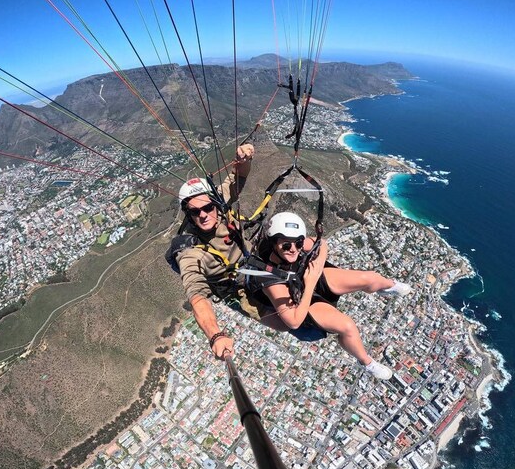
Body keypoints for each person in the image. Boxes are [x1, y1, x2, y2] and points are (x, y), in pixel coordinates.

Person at [246, 212, 412, 380]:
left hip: (311, 278)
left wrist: (317, 267)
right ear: (273, 243)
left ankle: (388, 286)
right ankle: (367, 363)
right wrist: (310, 282)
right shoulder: (270, 277)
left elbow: (322, 244)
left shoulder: (295, 244)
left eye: (298, 243)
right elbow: (294, 321)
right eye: (287, 246)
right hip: (300, 300)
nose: (294, 249)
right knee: (347, 327)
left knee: (370, 278)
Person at [171, 144, 255, 361]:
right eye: (196, 212)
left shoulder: (218, 204)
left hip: (255, 262)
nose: (204, 214)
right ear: (188, 215)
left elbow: (237, 179)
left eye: (208, 208)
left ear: (215, 204)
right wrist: (215, 335)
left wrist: (243, 160)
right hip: (239, 288)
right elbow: (197, 296)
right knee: (288, 318)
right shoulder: (189, 251)